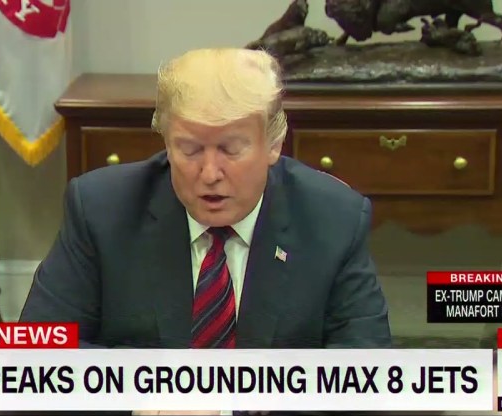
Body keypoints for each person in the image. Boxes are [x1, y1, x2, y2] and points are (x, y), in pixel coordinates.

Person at [21, 47, 391, 352]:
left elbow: (364, 371)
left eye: (231, 149)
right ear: (166, 142)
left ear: (273, 144)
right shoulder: (101, 209)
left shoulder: (334, 218)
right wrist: (147, 395)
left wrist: (249, 403)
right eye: (190, 149)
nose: (210, 173)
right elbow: (39, 350)